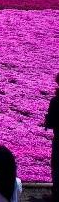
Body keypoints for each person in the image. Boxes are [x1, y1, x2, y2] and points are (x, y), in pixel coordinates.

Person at [45, 72, 59, 202]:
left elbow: (51, 122)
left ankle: (57, 194)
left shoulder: (56, 100)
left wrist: (47, 119)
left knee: (57, 164)